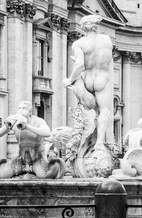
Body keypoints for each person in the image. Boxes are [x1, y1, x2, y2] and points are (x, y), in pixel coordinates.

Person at [62, 14, 114, 152]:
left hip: (87, 79)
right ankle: (99, 143)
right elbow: (108, 61)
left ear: (83, 27)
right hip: (102, 79)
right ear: (96, 27)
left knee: (85, 110)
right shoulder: (106, 40)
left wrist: (70, 79)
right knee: (104, 110)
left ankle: (83, 140)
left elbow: (79, 65)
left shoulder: (79, 44)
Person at [0, 100, 51, 167]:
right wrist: (7, 127)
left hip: (39, 157)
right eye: (19, 108)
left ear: (30, 111)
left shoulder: (38, 121)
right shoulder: (15, 122)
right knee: (6, 173)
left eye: (24, 108)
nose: (20, 110)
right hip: (22, 158)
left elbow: (47, 133)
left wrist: (27, 126)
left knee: (42, 175)